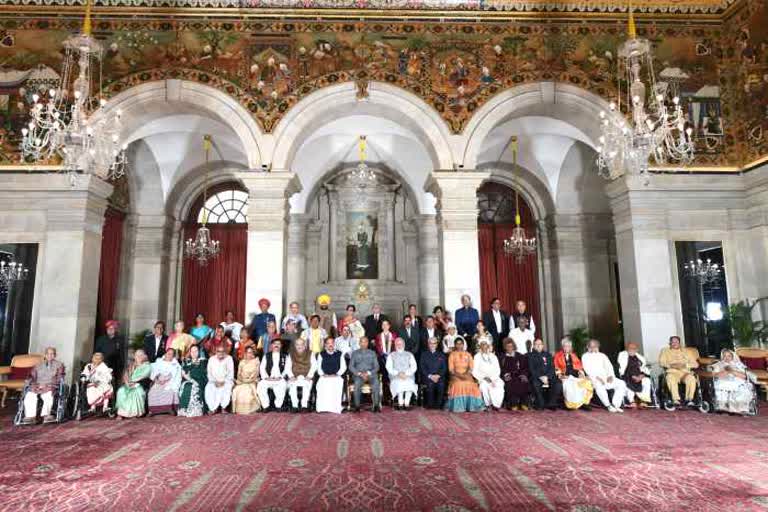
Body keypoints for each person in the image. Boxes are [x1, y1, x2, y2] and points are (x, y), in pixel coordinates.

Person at [21, 347, 65, 424]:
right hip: (38, 385)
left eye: (52, 354)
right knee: (29, 395)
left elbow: (59, 377)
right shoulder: (38, 365)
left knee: (48, 396)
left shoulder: (59, 365)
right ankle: (30, 417)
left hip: (50, 386)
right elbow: (32, 376)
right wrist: (30, 382)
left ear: (55, 355)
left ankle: (46, 415)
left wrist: (50, 384)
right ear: (45, 355)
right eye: (48, 354)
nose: (50, 355)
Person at [582, 339, 627, 413]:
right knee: (599, 385)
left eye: (595, 346)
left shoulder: (602, 355)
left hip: (606, 377)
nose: (593, 348)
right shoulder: (585, 356)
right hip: (594, 378)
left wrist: (610, 376)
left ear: (598, 347)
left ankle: (616, 405)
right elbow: (587, 370)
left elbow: (609, 367)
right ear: (588, 347)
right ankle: (608, 405)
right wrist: (598, 378)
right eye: (591, 346)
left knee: (621, 383)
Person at [709, 349, 757, 415]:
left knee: (742, 387)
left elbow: (744, 376)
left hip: (738, 380)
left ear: (732, 356)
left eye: (729, 356)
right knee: (724, 385)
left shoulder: (738, 365)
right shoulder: (718, 365)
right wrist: (726, 371)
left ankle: (740, 409)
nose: (727, 358)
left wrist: (732, 371)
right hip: (723, 380)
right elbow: (715, 375)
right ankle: (724, 408)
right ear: (722, 357)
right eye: (724, 356)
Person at [444, 337, 485, 412]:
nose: (459, 345)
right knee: (458, 384)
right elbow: (451, 369)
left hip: (467, 375)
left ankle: (472, 407)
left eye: (461, 344)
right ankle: (458, 407)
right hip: (455, 375)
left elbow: (471, 367)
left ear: (463, 345)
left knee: (471, 384)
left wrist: (465, 375)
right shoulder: (452, 355)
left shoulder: (468, 354)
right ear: (455, 345)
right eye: (457, 344)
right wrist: (459, 375)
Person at [554, 337, 594, 410]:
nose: (567, 348)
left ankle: (583, 403)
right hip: (565, 376)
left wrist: (581, 373)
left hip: (575, 376)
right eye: (565, 346)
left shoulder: (573, 355)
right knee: (569, 386)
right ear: (562, 347)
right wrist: (560, 375)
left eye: (569, 346)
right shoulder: (558, 355)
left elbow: (579, 366)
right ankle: (570, 405)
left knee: (586, 383)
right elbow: (556, 367)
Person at [659, 335, 699, 406]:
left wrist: (685, 365)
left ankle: (689, 399)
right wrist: (671, 365)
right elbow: (661, 362)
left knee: (691, 379)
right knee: (670, 378)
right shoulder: (665, 351)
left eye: (676, 342)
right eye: (672, 342)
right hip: (672, 372)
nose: (674, 343)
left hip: (685, 373)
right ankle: (676, 399)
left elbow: (696, 364)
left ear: (679, 343)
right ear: (670, 343)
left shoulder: (687, 351)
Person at [115, 349, 151, 419]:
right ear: (134, 356)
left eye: (141, 355)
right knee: (121, 391)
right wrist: (127, 382)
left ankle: (133, 413)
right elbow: (125, 375)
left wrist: (133, 382)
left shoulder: (147, 366)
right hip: (128, 384)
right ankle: (121, 413)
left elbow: (143, 376)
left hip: (140, 384)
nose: (139, 357)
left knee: (136, 392)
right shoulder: (131, 365)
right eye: (137, 355)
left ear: (144, 356)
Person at [528, 338, 562, 410]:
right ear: (533, 346)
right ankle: (541, 403)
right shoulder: (530, 355)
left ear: (543, 345)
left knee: (558, 383)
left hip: (548, 376)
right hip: (537, 377)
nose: (538, 346)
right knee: (535, 384)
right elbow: (531, 369)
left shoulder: (548, 354)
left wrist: (547, 376)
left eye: (540, 344)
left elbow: (552, 368)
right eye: (536, 344)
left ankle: (551, 403)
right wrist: (541, 377)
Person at [349, 336, 381, 412]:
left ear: (367, 343)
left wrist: (368, 373)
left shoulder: (372, 353)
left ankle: (376, 406)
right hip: (358, 375)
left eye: (365, 342)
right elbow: (351, 366)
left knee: (376, 383)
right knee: (357, 383)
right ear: (359, 343)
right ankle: (357, 406)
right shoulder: (354, 353)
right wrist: (360, 374)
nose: (363, 344)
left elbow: (377, 367)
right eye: (362, 342)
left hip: (371, 374)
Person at [315, 337, 347, 414]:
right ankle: (322, 407)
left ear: (334, 344)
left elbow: (343, 367)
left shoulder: (340, 353)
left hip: (336, 377)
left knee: (337, 383)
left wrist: (336, 374)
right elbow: (318, 367)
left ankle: (335, 408)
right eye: (328, 343)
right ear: (325, 345)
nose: (330, 345)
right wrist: (323, 374)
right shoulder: (321, 354)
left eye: (332, 343)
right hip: (324, 377)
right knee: (322, 384)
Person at [386, 337, 418, 410]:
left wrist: (406, 373)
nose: (399, 345)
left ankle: (407, 403)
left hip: (408, 376)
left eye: (401, 344)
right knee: (399, 383)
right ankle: (400, 403)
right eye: (397, 344)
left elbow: (414, 367)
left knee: (409, 383)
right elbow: (389, 368)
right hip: (395, 376)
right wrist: (398, 373)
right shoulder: (391, 355)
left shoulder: (409, 354)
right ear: (395, 345)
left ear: (404, 345)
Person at [258, 339, 290, 411]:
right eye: (275, 343)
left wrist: (280, 377)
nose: (276, 345)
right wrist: (266, 377)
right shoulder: (266, 356)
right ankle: (266, 406)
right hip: (268, 378)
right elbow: (262, 368)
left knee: (283, 385)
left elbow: (287, 369)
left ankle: (278, 406)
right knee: (260, 385)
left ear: (281, 346)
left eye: (278, 344)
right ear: (272, 345)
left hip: (280, 379)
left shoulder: (285, 356)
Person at [472, 338, 504, 410]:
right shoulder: (477, 356)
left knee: (499, 385)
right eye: (482, 344)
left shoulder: (493, 356)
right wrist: (484, 377)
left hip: (494, 377)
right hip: (483, 378)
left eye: (485, 344)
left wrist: (492, 378)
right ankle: (488, 404)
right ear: (480, 346)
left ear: (488, 346)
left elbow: (498, 370)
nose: (484, 346)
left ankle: (496, 405)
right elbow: (474, 371)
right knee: (484, 386)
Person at [148, 348, 182, 415]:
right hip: (158, 381)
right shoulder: (159, 361)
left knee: (169, 391)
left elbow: (177, 375)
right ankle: (153, 410)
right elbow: (153, 371)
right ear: (165, 353)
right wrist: (156, 380)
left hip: (170, 381)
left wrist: (170, 382)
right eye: (168, 353)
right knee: (152, 392)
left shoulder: (175, 364)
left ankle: (168, 409)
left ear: (173, 356)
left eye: (172, 354)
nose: (169, 355)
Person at [498, 338, 530, 410]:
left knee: (523, 382)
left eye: (511, 346)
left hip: (519, 375)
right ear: (505, 347)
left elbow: (525, 367)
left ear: (514, 346)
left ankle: (524, 403)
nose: (509, 348)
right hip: (509, 376)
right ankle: (513, 404)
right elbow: (500, 369)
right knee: (510, 383)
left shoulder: (520, 356)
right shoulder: (502, 357)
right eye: (508, 346)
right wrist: (505, 375)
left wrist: (523, 375)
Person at [94, 320, 127, 388]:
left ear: (115, 330)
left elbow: (122, 354)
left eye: (112, 328)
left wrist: (122, 367)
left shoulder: (120, 340)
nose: (110, 330)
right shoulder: (101, 339)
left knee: (114, 385)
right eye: (108, 328)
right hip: (102, 365)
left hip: (115, 367)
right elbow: (96, 353)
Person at [617, 342, 652, 406]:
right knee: (628, 381)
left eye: (634, 348)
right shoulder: (622, 355)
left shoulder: (640, 357)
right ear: (627, 349)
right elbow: (622, 368)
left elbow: (644, 368)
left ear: (637, 350)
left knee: (647, 381)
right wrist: (633, 376)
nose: (632, 350)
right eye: (630, 348)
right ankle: (631, 400)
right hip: (627, 375)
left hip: (639, 375)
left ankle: (644, 400)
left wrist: (642, 375)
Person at [287, 338, 316, 413]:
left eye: (301, 344)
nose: (299, 346)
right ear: (295, 345)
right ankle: (295, 405)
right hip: (295, 375)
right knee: (292, 385)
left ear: (305, 345)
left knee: (306, 385)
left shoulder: (310, 353)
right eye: (297, 344)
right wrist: (291, 376)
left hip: (306, 375)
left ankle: (304, 405)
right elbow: (287, 366)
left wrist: (309, 376)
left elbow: (314, 366)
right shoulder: (290, 353)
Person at [178, 344, 208, 417]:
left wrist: (190, 374)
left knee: (192, 386)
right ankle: (184, 409)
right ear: (190, 352)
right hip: (188, 381)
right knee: (186, 386)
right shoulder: (187, 361)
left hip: (200, 381)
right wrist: (188, 376)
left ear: (199, 352)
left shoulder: (203, 361)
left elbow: (201, 373)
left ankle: (194, 409)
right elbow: (183, 373)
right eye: (192, 351)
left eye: (196, 351)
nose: (194, 353)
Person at [232, 345, 261, 414]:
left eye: (251, 352)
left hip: (252, 381)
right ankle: (239, 409)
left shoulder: (256, 361)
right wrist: (242, 379)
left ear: (253, 353)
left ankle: (249, 409)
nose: (249, 354)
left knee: (247, 390)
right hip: (242, 381)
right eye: (248, 352)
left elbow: (256, 373)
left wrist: (248, 380)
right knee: (237, 389)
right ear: (245, 353)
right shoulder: (242, 362)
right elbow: (239, 374)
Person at [205, 345, 235, 413]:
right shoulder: (211, 359)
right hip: (214, 381)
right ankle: (212, 408)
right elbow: (209, 373)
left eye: (222, 351)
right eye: (218, 351)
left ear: (225, 352)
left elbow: (231, 373)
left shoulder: (229, 358)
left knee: (226, 387)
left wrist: (224, 381)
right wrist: (215, 381)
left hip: (226, 381)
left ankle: (223, 407)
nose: (220, 353)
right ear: (216, 352)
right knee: (209, 388)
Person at [419, 337, 447, 409]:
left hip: (439, 377)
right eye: (430, 343)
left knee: (441, 385)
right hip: (428, 377)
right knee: (430, 384)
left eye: (434, 343)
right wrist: (430, 376)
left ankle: (439, 405)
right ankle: (430, 404)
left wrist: (438, 375)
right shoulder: (424, 355)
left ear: (437, 344)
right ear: (428, 344)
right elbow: (422, 368)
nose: (432, 345)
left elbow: (444, 368)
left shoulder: (442, 355)